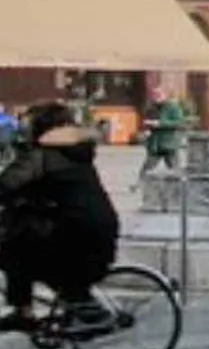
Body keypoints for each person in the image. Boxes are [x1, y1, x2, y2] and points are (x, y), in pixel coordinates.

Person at [0, 102, 119, 334]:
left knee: (11, 249)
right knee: (20, 240)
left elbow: (8, 183)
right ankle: (56, 302)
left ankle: (41, 309)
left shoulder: (43, 156)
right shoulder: (74, 153)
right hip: (97, 232)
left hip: (77, 237)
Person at [137, 89, 190, 186]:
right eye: (154, 95)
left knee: (174, 167)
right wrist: (146, 130)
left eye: (158, 95)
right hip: (155, 144)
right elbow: (147, 122)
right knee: (148, 166)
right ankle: (139, 184)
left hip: (169, 143)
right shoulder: (151, 108)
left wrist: (161, 123)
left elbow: (179, 122)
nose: (156, 97)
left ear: (164, 96)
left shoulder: (172, 107)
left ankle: (182, 184)